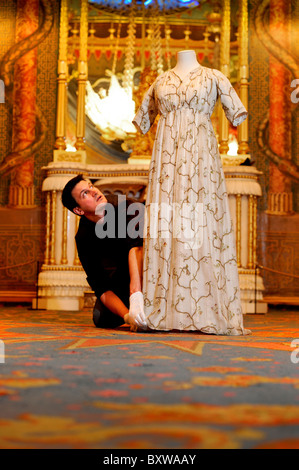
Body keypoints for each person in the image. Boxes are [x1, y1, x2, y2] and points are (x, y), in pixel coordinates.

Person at [133, 50, 251, 335]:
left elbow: (236, 111)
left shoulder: (214, 77)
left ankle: (206, 305)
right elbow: (143, 121)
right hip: (167, 162)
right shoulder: (159, 81)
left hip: (201, 159)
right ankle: (166, 307)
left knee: (202, 222)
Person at [61, 174, 147, 331]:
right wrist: (128, 316)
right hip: (122, 278)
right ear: (78, 210)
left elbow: (136, 248)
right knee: (101, 317)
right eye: (85, 193)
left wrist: (136, 296)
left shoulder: (123, 206)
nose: (94, 192)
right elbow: (101, 287)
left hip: (147, 270)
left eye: (91, 186)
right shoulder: (83, 238)